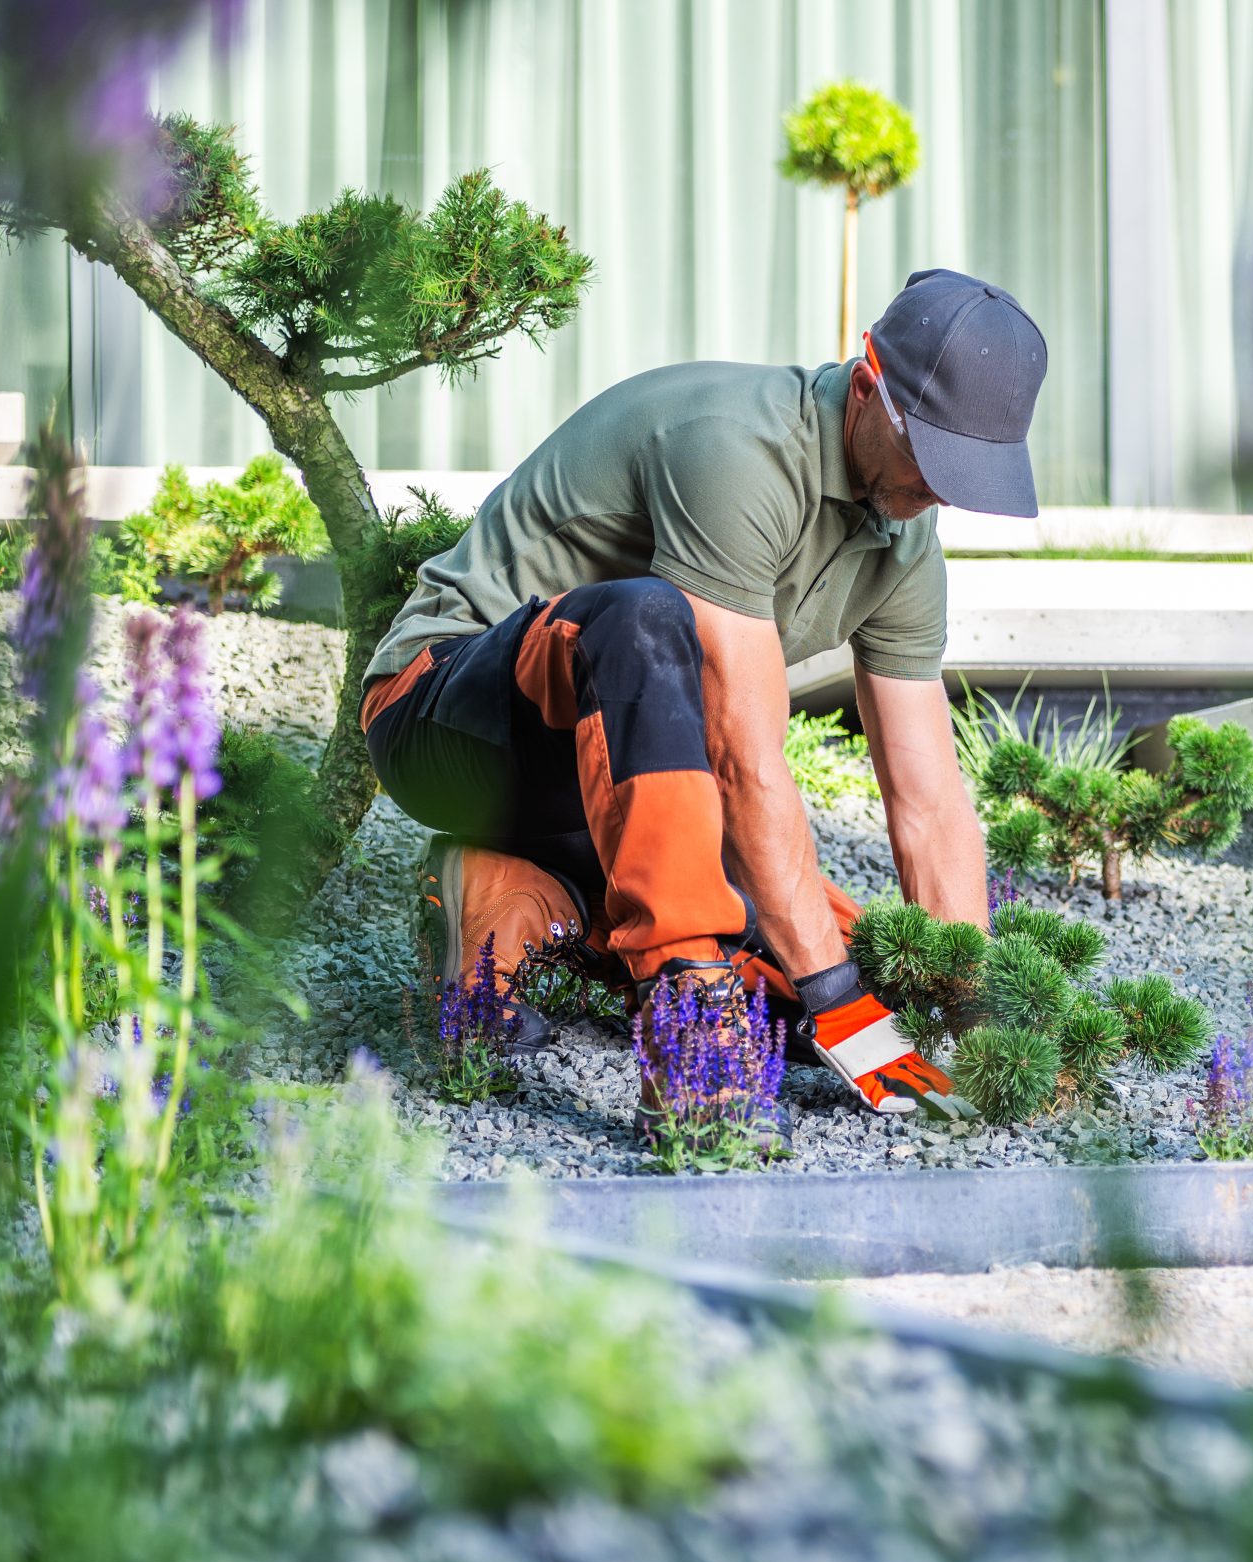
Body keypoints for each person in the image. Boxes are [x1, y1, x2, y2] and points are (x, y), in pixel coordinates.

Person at [359, 268, 1047, 1121]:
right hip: (446, 716)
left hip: (619, 775)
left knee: (857, 964)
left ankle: (512, 892)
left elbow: (929, 804)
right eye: (931, 457)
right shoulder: (737, 450)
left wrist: (972, 1019)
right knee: (645, 619)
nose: (939, 491)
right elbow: (742, 760)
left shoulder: (904, 545)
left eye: (966, 471)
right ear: (868, 385)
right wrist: (834, 1001)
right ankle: (688, 1006)